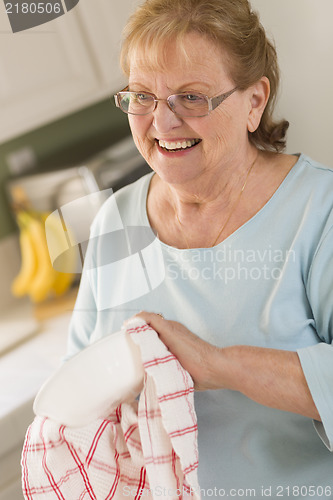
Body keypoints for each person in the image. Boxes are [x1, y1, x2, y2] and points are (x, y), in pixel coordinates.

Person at [66, 0, 333, 497]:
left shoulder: (320, 211)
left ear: (254, 102)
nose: (162, 123)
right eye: (142, 96)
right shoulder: (112, 221)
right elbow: (79, 385)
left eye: (191, 97)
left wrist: (219, 365)